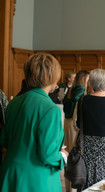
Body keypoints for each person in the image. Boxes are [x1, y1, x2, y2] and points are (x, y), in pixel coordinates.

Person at [0, 52, 68, 191]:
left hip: (11, 174)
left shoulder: (14, 103)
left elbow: (5, 140)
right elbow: (48, 155)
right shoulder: (50, 108)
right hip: (36, 180)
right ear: (52, 76)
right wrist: (63, 156)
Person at [77, 69, 105, 189]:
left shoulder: (82, 101)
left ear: (90, 85)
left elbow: (78, 124)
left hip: (86, 148)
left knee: (86, 182)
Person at [63, 70, 89, 192]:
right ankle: (74, 185)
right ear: (84, 79)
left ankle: (69, 186)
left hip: (67, 122)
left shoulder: (71, 89)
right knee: (74, 154)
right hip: (74, 123)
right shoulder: (80, 90)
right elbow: (79, 102)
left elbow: (64, 103)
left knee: (69, 153)